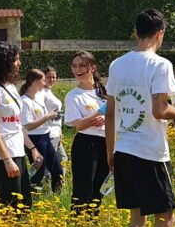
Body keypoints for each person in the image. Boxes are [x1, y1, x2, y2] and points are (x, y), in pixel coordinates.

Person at [105, 9, 175, 227]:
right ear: (160, 34)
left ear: (136, 32)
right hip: (150, 152)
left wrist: (110, 152)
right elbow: (160, 110)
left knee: (137, 217)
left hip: (123, 150)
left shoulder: (116, 64)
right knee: (165, 217)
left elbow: (110, 114)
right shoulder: (160, 64)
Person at [0, 41, 44, 210]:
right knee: (11, 207)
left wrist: (32, 148)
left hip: (17, 152)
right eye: (16, 59)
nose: (19, 63)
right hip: (1, 157)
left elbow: (17, 124)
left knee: (25, 204)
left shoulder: (11, 87)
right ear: (3, 62)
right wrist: (7, 160)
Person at [65, 51, 109, 214]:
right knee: (83, 190)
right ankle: (77, 225)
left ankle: (92, 225)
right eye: (75, 66)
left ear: (92, 68)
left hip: (105, 143)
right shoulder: (73, 96)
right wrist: (99, 113)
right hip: (85, 144)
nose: (78, 69)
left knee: (99, 190)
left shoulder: (103, 91)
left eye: (82, 65)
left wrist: (106, 117)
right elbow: (79, 125)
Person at [20, 69, 63, 194]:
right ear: (34, 81)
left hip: (45, 137)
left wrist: (53, 117)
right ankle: (32, 200)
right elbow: (28, 126)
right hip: (34, 140)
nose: (45, 83)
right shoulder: (24, 101)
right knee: (38, 173)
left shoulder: (39, 95)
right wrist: (48, 116)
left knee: (58, 171)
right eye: (43, 80)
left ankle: (56, 199)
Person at [41, 66, 68, 171]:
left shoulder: (49, 92)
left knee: (62, 159)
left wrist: (60, 129)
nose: (52, 80)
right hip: (50, 133)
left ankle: (59, 184)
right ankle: (52, 184)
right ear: (43, 78)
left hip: (56, 132)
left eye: (54, 77)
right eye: (49, 77)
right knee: (52, 163)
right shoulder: (42, 93)